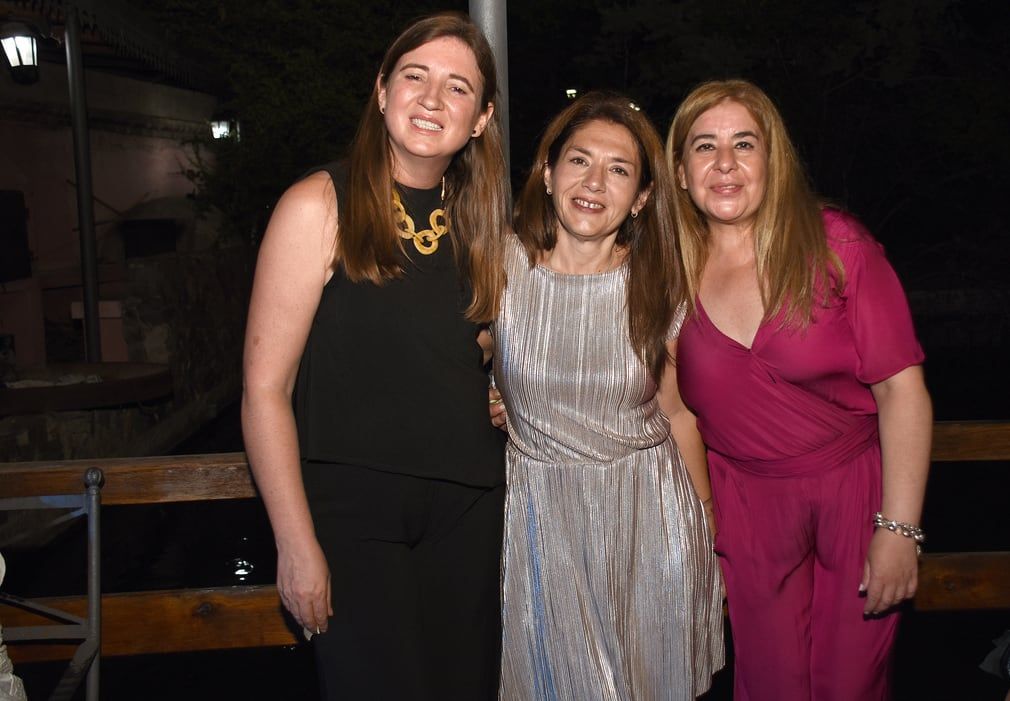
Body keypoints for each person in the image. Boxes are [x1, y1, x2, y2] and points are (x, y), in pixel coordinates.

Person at [241, 13, 509, 700]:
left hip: (470, 511)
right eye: (415, 76)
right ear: (382, 89)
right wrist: (295, 543)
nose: (430, 98)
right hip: (354, 518)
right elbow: (265, 390)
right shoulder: (317, 205)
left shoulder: (486, 227)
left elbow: (485, 352)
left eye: (457, 88)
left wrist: (508, 390)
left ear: (480, 119)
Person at [666, 79, 932, 700]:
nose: (725, 164)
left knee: (849, 685)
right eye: (704, 147)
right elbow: (669, 406)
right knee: (770, 685)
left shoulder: (837, 246)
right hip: (747, 510)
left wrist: (899, 528)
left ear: (772, 159)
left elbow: (902, 391)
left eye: (744, 144)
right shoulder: (667, 272)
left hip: (855, 496)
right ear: (681, 172)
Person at [493, 92, 724, 700]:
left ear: (642, 196)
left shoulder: (660, 285)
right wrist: (491, 393)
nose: (594, 182)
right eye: (578, 161)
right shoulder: (498, 268)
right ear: (547, 174)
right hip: (543, 525)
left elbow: (677, 414)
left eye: (619, 169)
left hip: (648, 522)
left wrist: (706, 531)